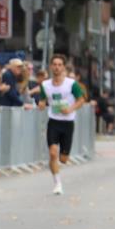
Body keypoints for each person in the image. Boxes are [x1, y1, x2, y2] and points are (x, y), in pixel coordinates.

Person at [37, 53, 87, 195]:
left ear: (63, 67)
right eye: (55, 64)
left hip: (68, 123)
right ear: (51, 66)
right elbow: (42, 100)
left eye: (60, 65)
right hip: (53, 122)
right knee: (53, 153)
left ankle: (58, 165)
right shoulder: (45, 85)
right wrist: (40, 104)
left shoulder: (71, 84)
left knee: (63, 159)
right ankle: (57, 183)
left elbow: (81, 100)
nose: (57, 67)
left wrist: (70, 109)